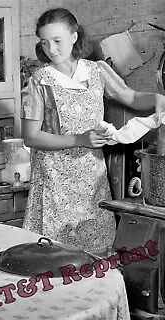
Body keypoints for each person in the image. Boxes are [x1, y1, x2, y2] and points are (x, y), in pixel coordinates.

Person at [21, 8, 165, 252]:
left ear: (74, 37)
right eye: (45, 43)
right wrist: (80, 139)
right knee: (53, 257)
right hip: (55, 181)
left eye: (58, 41)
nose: (51, 49)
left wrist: (157, 99)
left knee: (95, 255)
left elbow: (130, 97)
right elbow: (31, 136)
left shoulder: (96, 71)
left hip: (91, 178)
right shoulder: (40, 80)